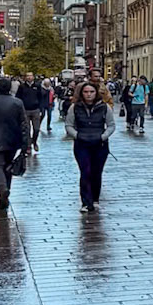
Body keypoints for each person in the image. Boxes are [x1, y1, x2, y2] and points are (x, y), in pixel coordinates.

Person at [64, 77, 115, 209]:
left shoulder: (104, 108)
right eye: (86, 92)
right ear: (81, 93)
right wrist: (77, 135)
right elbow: (69, 125)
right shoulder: (75, 107)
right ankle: (86, 201)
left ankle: (95, 198)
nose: (88, 94)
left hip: (100, 144)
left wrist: (103, 137)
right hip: (82, 144)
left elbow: (111, 125)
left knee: (96, 172)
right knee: (85, 171)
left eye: (91, 91)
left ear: (96, 93)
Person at [0, 77, 31, 210]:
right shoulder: (17, 103)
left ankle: (3, 190)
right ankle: (5, 190)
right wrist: (26, 144)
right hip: (13, 140)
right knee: (8, 166)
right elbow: (24, 125)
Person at [18, 75, 44, 149]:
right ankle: (28, 145)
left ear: (33, 77)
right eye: (28, 76)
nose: (29, 78)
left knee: (36, 128)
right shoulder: (22, 86)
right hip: (25, 110)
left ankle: (34, 141)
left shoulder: (37, 86)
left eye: (31, 76)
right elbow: (18, 97)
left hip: (35, 109)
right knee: (27, 129)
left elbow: (41, 97)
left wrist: (41, 108)